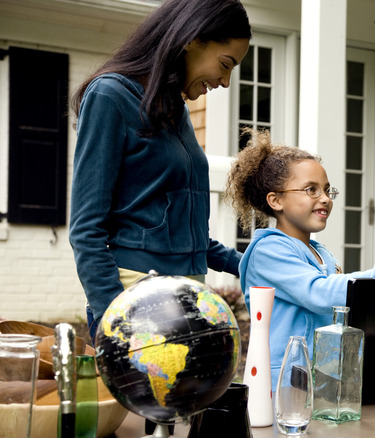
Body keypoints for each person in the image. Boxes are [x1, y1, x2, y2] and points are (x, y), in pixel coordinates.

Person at [69, 0, 251, 343]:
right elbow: (86, 231)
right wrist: (117, 320)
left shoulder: (175, 109)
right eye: (225, 64)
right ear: (190, 39)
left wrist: (252, 261)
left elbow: (184, 233)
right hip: (136, 302)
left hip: (189, 301)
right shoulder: (111, 96)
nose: (226, 81)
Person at [225, 129, 375, 386]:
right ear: (276, 200)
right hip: (281, 385)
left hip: (321, 381)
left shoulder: (321, 252)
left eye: (328, 190)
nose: (326, 199)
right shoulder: (268, 251)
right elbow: (321, 294)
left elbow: (344, 303)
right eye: (311, 190)